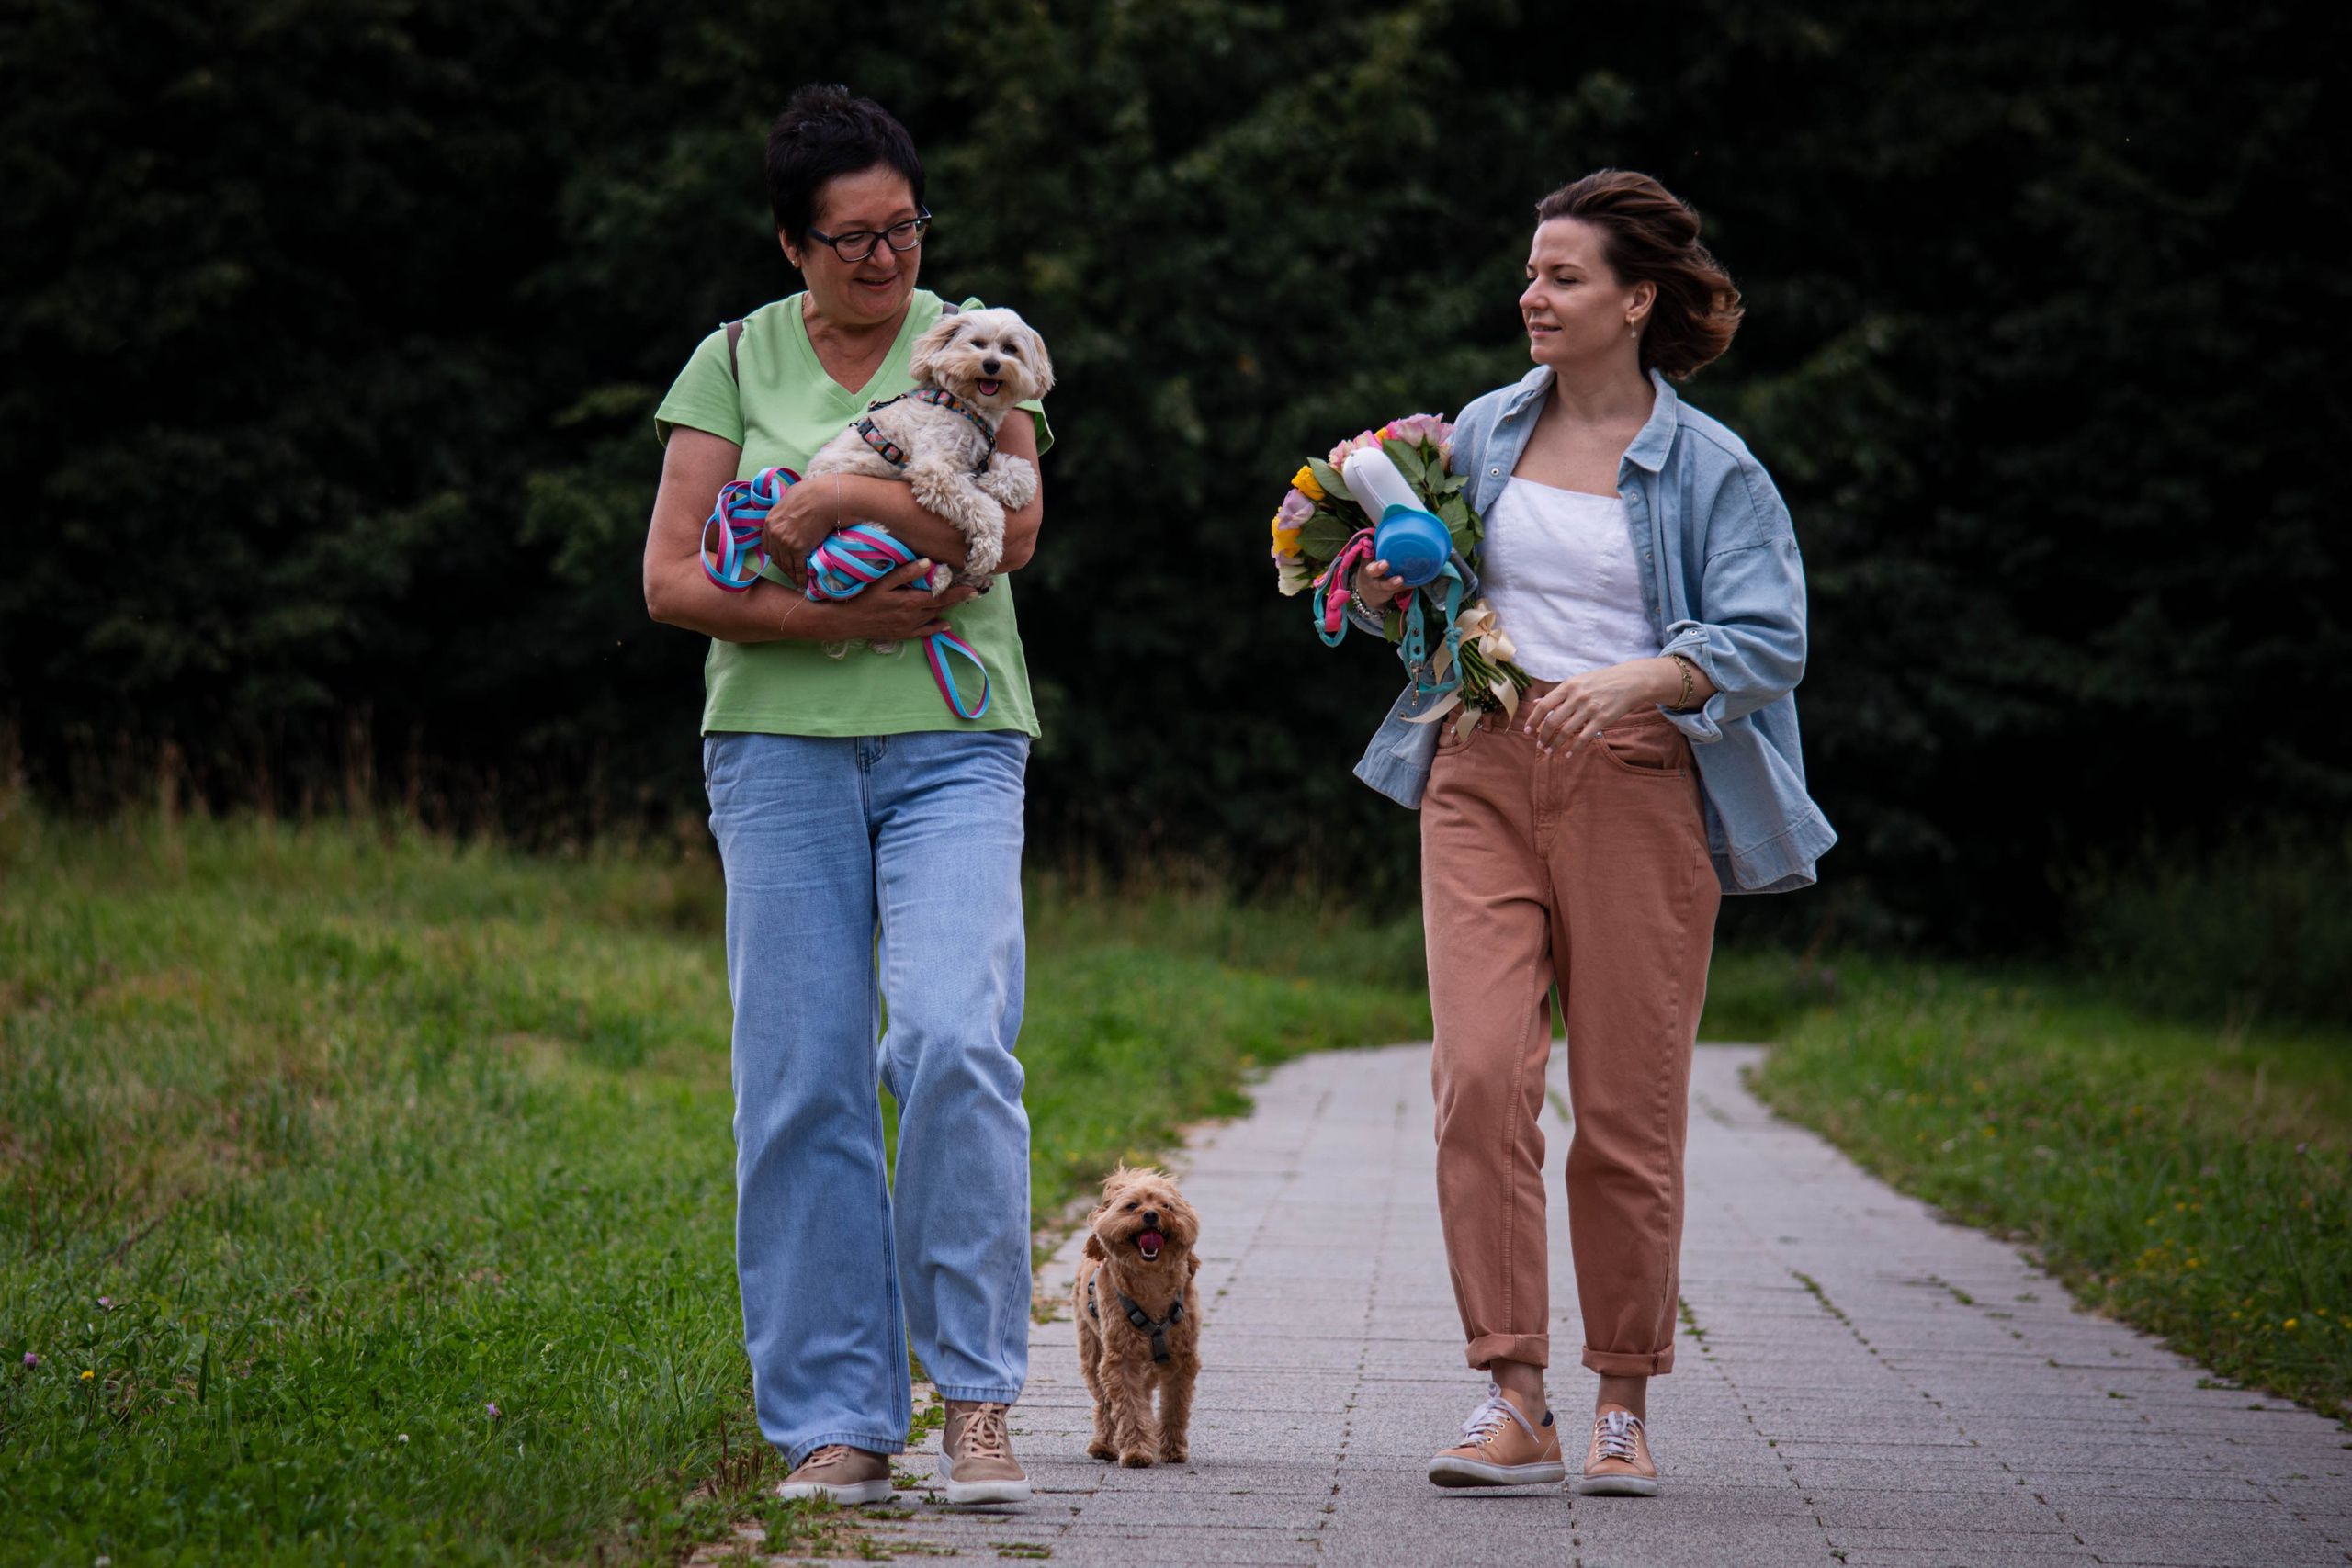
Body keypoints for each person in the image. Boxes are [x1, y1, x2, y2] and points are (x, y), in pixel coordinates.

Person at [1347, 170, 1834, 1496]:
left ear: (1636, 298)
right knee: (1481, 1078)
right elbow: (1430, 606)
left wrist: (1646, 676)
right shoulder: (1482, 437)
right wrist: (1397, 592)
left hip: (1637, 785)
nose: (1533, 295)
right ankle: (1514, 1395)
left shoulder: (1712, 467)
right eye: (1530, 273)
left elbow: (1768, 640)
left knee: (1625, 1110)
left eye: (1563, 277)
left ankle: (1622, 1404)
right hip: (1482, 770)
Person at [640, 83, 1049, 1507]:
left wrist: (835, 509)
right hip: (777, 750)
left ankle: (978, 1402)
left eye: (902, 230)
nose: (885, 261)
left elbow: (1017, 526)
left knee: (952, 1034)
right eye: (850, 239)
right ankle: (837, 1420)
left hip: (955, 740)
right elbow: (674, 577)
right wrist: (838, 621)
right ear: (791, 244)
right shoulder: (732, 364)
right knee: (802, 1078)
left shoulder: (975, 348)